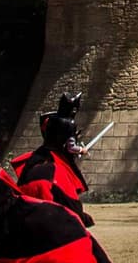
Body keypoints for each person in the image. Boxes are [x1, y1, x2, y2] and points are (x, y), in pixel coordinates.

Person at [12, 92, 92, 224]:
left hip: (42, 152)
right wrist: (81, 150)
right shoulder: (69, 123)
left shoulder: (50, 119)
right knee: (66, 184)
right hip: (57, 156)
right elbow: (70, 147)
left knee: (26, 174)